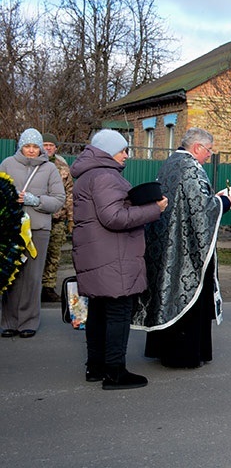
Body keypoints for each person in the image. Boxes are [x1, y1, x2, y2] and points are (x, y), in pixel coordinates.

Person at [133, 128, 231, 368]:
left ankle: (162, 349)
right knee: (187, 294)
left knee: (166, 293)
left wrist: (212, 198)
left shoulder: (170, 162)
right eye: (208, 150)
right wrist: (224, 201)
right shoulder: (191, 168)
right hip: (185, 248)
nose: (209, 155)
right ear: (197, 147)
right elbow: (202, 210)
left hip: (167, 240)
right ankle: (183, 355)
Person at [70, 130, 167, 389]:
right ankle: (115, 372)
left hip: (98, 253)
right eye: (123, 150)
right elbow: (114, 217)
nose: (126, 155)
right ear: (108, 150)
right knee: (118, 313)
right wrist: (153, 209)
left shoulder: (88, 174)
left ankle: (96, 366)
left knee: (99, 311)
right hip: (114, 255)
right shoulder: (105, 176)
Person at [0, 128, 66, 338]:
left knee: (32, 277)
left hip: (38, 230)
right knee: (10, 275)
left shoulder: (50, 169)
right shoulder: (7, 164)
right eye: (27, 146)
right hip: (11, 230)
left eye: (35, 146)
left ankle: (28, 322)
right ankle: (9, 321)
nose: (31, 150)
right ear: (21, 146)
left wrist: (36, 200)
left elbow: (59, 199)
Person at [40, 133, 73, 303]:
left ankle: (48, 287)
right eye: (45, 145)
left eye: (51, 145)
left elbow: (69, 194)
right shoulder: (35, 165)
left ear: (56, 148)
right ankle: (33, 286)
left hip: (58, 219)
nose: (48, 148)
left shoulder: (63, 167)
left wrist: (71, 219)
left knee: (54, 255)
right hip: (38, 217)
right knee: (36, 254)